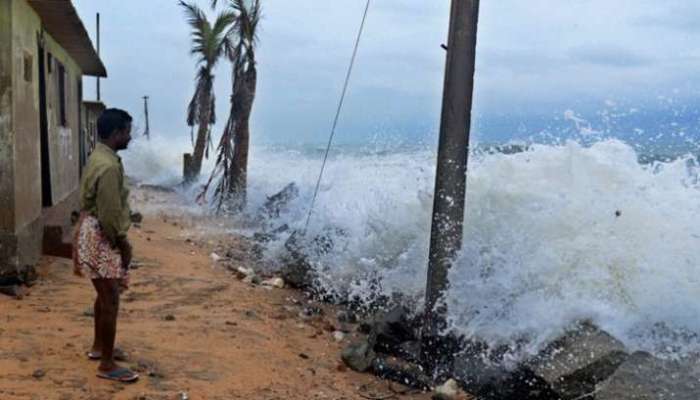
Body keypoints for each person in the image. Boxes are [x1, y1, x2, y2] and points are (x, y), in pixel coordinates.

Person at [73, 108, 139, 383]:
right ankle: (107, 365)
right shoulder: (109, 166)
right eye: (127, 131)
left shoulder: (99, 155)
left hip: (91, 230)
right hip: (102, 234)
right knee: (110, 297)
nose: (130, 136)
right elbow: (110, 214)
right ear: (115, 134)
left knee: (104, 292)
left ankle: (100, 348)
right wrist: (123, 245)